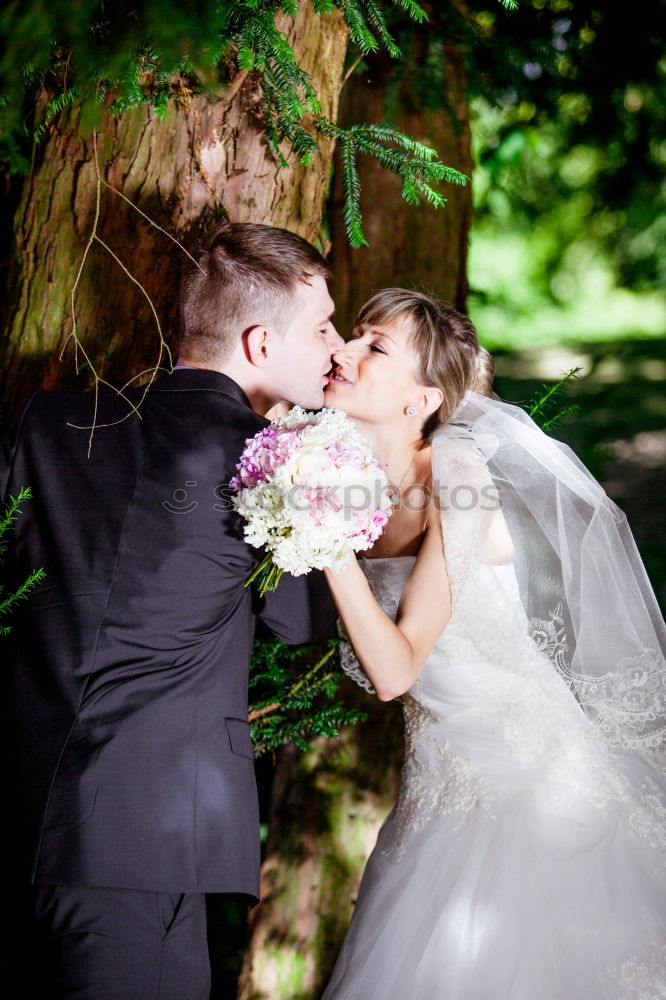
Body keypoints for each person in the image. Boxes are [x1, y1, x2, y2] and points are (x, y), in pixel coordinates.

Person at [0, 222, 344, 999]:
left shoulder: (47, 425)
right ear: (260, 344)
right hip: (151, 838)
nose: (337, 345)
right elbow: (302, 621)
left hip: (26, 813)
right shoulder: (270, 467)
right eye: (322, 326)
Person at [321, 288, 666, 999]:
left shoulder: (457, 475)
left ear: (420, 402)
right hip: (435, 782)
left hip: (525, 778)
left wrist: (318, 536)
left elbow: (396, 667)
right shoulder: (337, 468)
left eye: (374, 346)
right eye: (352, 333)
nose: (343, 352)